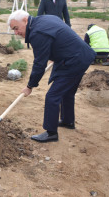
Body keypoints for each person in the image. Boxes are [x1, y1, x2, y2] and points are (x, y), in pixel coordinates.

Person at [8, 10, 95, 143]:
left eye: (16, 28)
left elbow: (39, 64)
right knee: (67, 92)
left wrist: (30, 86)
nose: (16, 33)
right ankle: (67, 121)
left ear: (25, 20)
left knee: (52, 96)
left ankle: (51, 132)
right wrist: (58, 50)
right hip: (82, 55)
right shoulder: (45, 19)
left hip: (74, 60)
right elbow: (59, 36)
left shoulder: (37, 33)